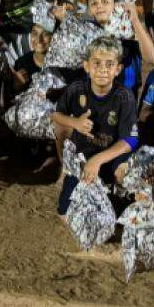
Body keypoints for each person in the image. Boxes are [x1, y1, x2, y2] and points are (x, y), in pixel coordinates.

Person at [51, 36, 139, 216]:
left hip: (111, 157)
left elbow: (130, 140)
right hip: (82, 156)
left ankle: (121, 193)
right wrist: (75, 122)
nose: (103, 70)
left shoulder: (124, 96)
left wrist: (97, 160)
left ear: (118, 69)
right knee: (65, 211)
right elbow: (56, 115)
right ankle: (67, 172)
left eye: (109, 64)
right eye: (97, 63)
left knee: (114, 210)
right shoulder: (76, 89)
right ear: (87, 66)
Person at [11, 22, 51, 92]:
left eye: (45, 34)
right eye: (35, 33)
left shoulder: (63, 64)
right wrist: (16, 86)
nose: (39, 40)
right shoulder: (21, 64)